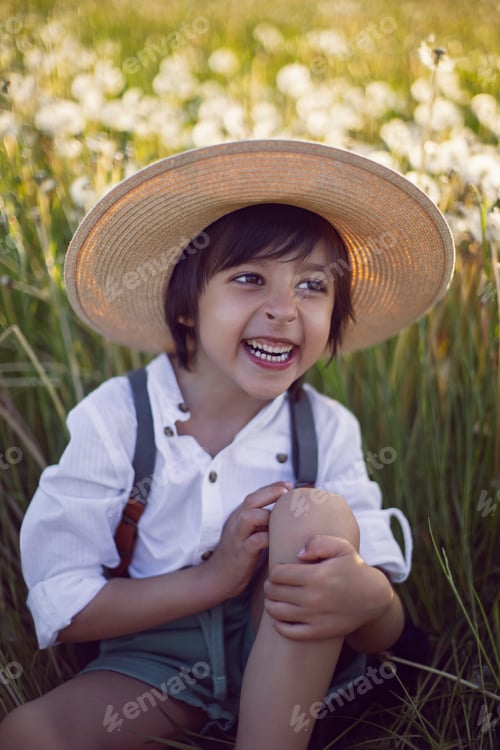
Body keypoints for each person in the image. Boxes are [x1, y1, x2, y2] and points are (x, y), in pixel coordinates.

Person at [0, 139, 455, 750]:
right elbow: (65, 603)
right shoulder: (117, 417)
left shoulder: (327, 426)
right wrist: (214, 579)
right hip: (156, 663)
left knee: (311, 511)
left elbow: (381, 630)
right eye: (249, 279)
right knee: (28, 733)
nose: (283, 310)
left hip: (297, 653)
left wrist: (371, 599)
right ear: (187, 306)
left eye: (312, 286)